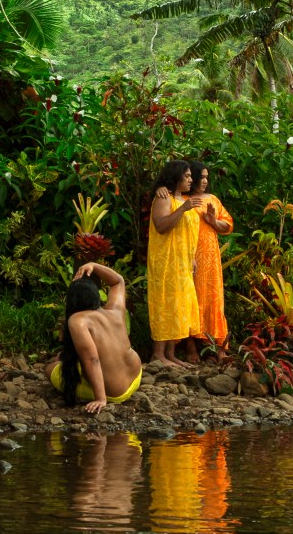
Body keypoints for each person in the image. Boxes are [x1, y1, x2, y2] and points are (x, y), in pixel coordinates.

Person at [49, 262, 142, 413]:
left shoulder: (77, 320)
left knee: (50, 369)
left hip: (115, 392)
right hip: (135, 377)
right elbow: (118, 281)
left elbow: (93, 359)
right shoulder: (115, 311)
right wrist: (94, 266)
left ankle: (103, 394)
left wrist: (101, 398)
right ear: (96, 295)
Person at [146, 160, 205, 365]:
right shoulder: (164, 198)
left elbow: (188, 234)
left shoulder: (184, 200)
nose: (191, 179)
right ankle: (158, 354)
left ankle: (170, 354)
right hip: (166, 261)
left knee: (180, 306)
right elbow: (161, 226)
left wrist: (193, 258)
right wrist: (183, 209)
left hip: (183, 263)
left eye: (191, 176)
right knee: (165, 303)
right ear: (176, 177)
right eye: (187, 176)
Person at [185, 161, 234, 362]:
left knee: (213, 298)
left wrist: (213, 222)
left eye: (207, 178)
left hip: (210, 257)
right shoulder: (182, 200)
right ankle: (190, 347)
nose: (204, 181)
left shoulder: (212, 199)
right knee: (192, 298)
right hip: (190, 255)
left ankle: (219, 347)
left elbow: (228, 226)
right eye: (201, 177)